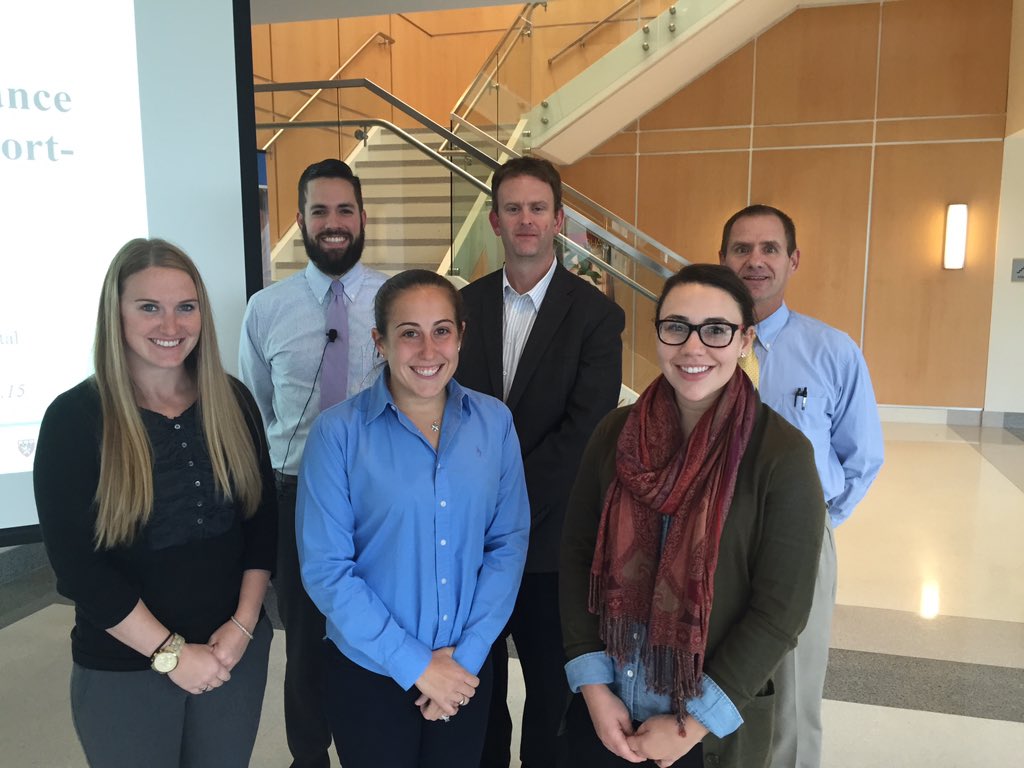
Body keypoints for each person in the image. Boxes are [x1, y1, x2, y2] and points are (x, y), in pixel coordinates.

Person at [560, 263, 826, 768]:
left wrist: (692, 723)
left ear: (745, 340)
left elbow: (780, 611)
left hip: (707, 737)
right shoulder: (614, 435)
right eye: (677, 326)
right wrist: (595, 689)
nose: (693, 347)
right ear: (659, 333)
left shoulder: (781, 456)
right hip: (607, 715)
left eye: (717, 330)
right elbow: (576, 560)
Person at [33, 238, 277, 768]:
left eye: (185, 307)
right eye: (149, 307)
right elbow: (79, 569)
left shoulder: (233, 401)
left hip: (231, 655)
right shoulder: (75, 420)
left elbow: (261, 525)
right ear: (115, 314)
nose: (171, 325)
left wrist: (242, 627)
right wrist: (170, 654)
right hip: (124, 667)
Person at [296, 269, 530, 768]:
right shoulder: (337, 434)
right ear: (380, 342)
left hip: (465, 670)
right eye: (409, 334)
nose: (428, 350)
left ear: (461, 336)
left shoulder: (495, 423)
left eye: (442, 330)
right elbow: (327, 570)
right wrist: (418, 666)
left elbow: (507, 545)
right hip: (369, 672)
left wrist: (462, 660)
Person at [456, 156, 625, 768]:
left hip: (551, 546)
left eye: (536, 208)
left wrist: (498, 497)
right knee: (474, 692)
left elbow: (585, 432)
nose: (524, 220)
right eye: (511, 209)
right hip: (465, 547)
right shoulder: (460, 309)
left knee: (553, 700)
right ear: (494, 222)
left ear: (558, 219)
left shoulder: (597, 316)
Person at [719, 205, 884, 768]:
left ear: (793, 260)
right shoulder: (703, 346)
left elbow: (862, 457)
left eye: (769, 249)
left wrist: (818, 526)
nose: (755, 261)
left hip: (800, 539)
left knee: (794, 688)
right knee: (719, 676)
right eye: (742, 249)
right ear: (724, 259)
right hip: (713, 538)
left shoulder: (832, 351)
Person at [239, 158, 387, 767]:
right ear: (300, 220)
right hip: (297, 494)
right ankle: (309, 756)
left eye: (344, 210)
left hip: (382, 497)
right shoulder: (266, 310)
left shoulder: (394, 300)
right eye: (319, 211)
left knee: (378, 631)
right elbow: (259, 409)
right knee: (303, 640)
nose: (333, 223)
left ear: (361, 219)